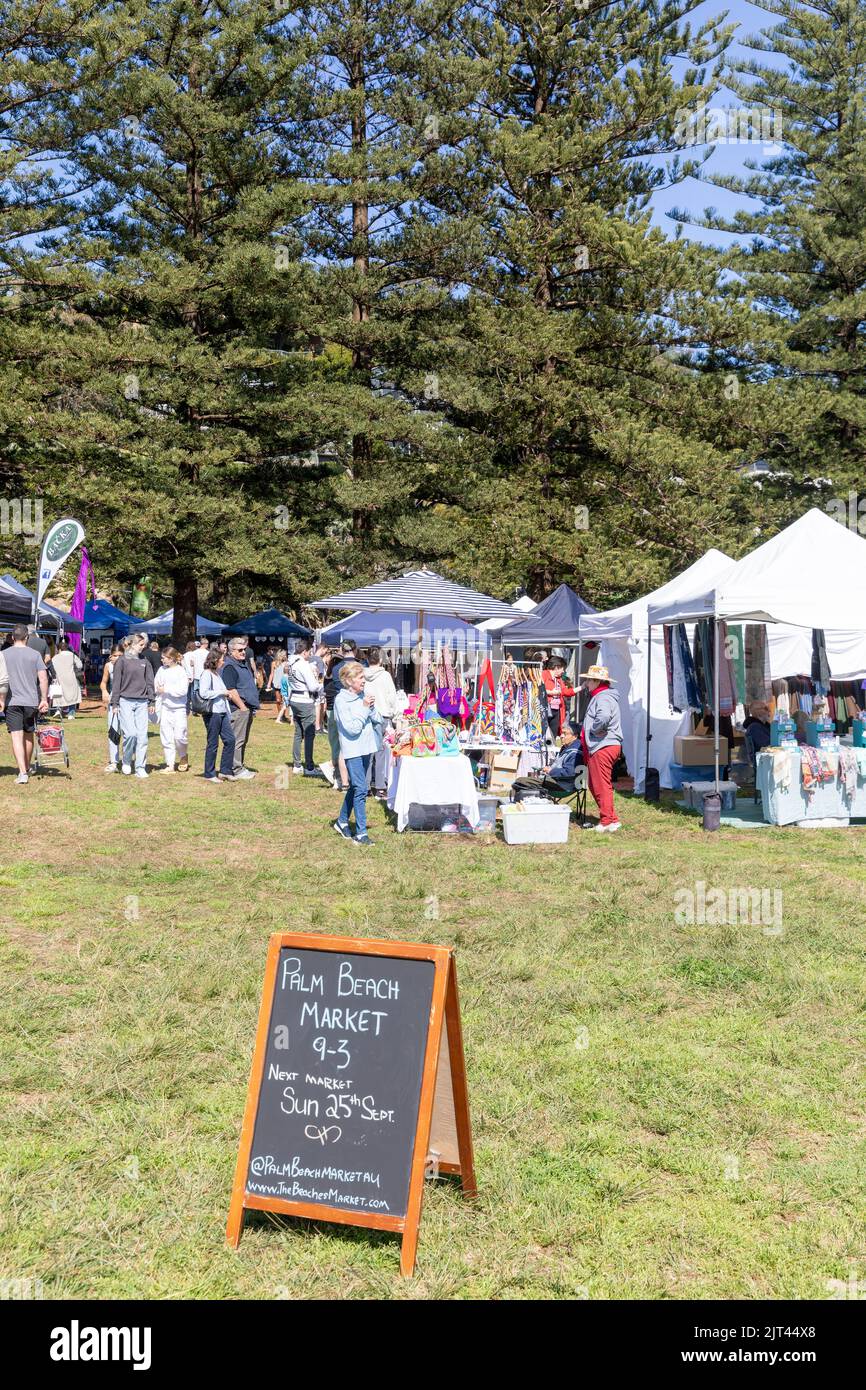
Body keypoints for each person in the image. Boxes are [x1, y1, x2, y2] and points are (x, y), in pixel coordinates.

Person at [332, 661, 383, 845]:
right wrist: (363, 707)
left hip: (367, 748)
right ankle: (361, 834)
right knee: (361, 789)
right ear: (349, 680)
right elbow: (352, 729)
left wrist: (372, 707)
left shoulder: (363, 695)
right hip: (353, 750)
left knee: (356, 787)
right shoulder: (341, 700)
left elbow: (376, 719)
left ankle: (342, 821)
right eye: (361, 677)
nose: (364, 681)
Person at [0, 623, 49, 783]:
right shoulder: (35, 655)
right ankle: (26, 767)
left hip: (11, 701)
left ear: (12, 637)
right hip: (31, 701)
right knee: (28, 735)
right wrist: (44, 699)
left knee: (16, 736)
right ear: (27, 637)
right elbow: (43, 678)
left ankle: (23, 772)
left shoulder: (3, 654)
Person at [579, 662, 623, 832]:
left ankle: (606, 820)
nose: (587, 683)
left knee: (600, 784)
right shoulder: (604, 695)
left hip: (603, 745)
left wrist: (594, 730)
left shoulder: (603, 696)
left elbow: (603, 716)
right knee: (596, 783)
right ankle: (611, 819)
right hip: (605, 745)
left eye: (589, 680)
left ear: (597, 682)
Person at [110, 633, 156, 777]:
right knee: (130, 734)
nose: (144, 647)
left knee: (142, 736)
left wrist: (152, 700)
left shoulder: (145, 661)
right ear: (132, 644)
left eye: (144, 644)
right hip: (125, 701)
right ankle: (126, 761)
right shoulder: (121, 661)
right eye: (141, 645)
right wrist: (115, 703)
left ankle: (140, 766)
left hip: (142, 702)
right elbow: (116, 683)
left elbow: (150, 682)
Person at [282, 638, 324, 776]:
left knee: (298, 733)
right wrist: (321, 685)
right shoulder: (303, 664)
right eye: (309, 651)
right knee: (309, 734)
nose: (310, 654)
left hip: (294, 698)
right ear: (305, 651)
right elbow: (312, 686)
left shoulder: (291, 662)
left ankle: (296, 764)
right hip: (305, 700)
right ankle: (309, 767)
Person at [362, 647, 400, 797]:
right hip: (382, 715)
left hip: (367, 714)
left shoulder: (362, 674)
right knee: (381, 751)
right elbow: (391, 697)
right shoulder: (385, 676)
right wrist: (394, 714)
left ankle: (365, 786)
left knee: (367, 750)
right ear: (381, 659)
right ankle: (379, 786)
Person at [511, 724, 583, 800]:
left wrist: (551, 771)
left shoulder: (575, 753)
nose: (561, 736)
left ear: (575, 736)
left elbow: (570, 772)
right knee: (522, 781)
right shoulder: (566, 748)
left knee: (520, 782)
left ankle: (532, 804)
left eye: (565, 734)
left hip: (563, 785)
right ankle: (530, 804)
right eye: (562, 733)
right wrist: (549, 768)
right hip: (557, 781)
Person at [221, 635, 259, 778]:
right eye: (240, 650)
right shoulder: (230, 666)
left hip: (247, 708)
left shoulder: (241, 663)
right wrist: (242, 707)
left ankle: (238, 766)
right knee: (237, 740)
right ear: (231, 651)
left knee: (243, 739)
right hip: (238, 709)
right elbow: (231, 690)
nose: (243, 652)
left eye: (244, 649)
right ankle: (235, 768)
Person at [199, 647, 237, 781]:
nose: (223, 662)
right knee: (213, 743)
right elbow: (203, 693)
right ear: (214, 660)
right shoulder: (206, 674)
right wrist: (222, 692)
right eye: (222, 660)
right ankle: (209, 773)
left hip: (221, 712)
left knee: (230, 740)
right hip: (212, 713)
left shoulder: (217, 674)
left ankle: (225, 770)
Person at [324, 640, 357, 791]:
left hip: (338, 707)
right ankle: (350, 778)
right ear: (355, 650)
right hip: (355, 709)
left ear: (342, 651)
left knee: (338, 745)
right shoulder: (359, 666)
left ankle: (338, 778)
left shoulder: (336, 667)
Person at [154, 646, 190, 772]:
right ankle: (170, 764)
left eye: (164, 658)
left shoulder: (181, 671)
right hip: (165, 708)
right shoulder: (161, 670)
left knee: (180, 736)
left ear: (172, 658)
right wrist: (159, 692)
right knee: (166, 736)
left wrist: (166, 689)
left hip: (179, 708)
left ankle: (183, 755)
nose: (162, 660)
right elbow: (156, 686)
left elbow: (183, 690)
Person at [541, 653, 577, 741]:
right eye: (562, 668)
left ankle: (551, 752)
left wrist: (582, 687)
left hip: (556, 710)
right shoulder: (544, 674)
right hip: (545, 709)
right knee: (543, 732)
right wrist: (551, 692)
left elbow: (566, 692)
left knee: (552, 734)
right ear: (556, 667)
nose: (563, 671)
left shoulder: (559, 679)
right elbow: (537, 690)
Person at [100, 643, 123, 772]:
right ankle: (114, 761)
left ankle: (127, 760)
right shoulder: (108, 666)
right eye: (115, 655)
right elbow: (103, 682)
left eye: (120, 655)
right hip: (113, 700)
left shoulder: (127, 665)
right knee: (113, 730)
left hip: (126, 700)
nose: (118, 658)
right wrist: (104, 691)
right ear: (110, 657)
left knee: (128, 732)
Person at [50, 637, 84, 718]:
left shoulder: (55, 657)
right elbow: (80, 665)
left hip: (59, 679)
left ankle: (58, 710)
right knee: (72, 696)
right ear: (67, 647)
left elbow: (51, 669)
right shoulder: (72, 655)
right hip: (71, 678)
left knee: (58, 695)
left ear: (59, 648)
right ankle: (71, 714)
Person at [268, 648, 289, 723]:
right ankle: (280, 714)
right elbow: (272, 674)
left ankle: (283, 715)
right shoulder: (274, 663)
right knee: (278, 700)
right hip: (276, 684)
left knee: (284, 700)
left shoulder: (287, 663)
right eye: (285, 655)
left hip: (284, 684)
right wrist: (269, 683)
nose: (286, 656)